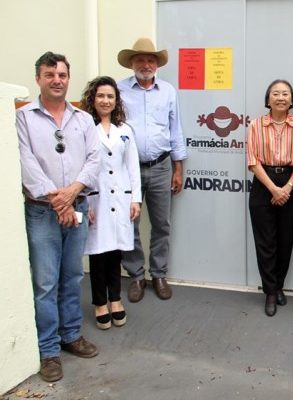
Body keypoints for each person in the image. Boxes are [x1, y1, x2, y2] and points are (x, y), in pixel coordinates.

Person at [16, 51, 100, 382]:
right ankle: (48, 349)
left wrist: (71, 195)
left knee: (73, 278)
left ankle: (70, 335)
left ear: (68, 78)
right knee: (45, 282)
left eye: (62, 75)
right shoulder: (23, 118)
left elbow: (94, 160)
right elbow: (26, 162)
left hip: (76, 207)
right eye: (50, 74)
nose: (57, 80)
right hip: (42, 212)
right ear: (38, 78)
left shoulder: (83, 120)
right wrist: (58, 199)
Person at [117, 37, 187, 302]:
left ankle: (158, 274)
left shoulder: (168, 91)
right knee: (129, 223)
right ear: (132, 63)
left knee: (162, 224)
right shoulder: (119, 89)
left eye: (150, 60)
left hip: (160, 167)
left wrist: (177, 169)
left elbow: (175, 129)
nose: (145, 64)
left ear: (156, 64)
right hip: (127, 169)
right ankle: (136, 275)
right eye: (140, 59)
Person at [79, 76, 142, 329]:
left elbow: (132, 166)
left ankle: (116, 299)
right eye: (101, 96)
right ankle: (99, 303)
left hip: (121, 197)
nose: (105, 101)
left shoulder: (125, 130)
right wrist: (83, 202)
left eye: (110, 96)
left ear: (116, 101)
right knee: (97, 253)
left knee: (115, 251)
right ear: (92, 99)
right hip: (96, 198)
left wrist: (135, 198)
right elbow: (79, 165)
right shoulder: (84, 128)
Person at [247, 79, 293, 317]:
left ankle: (279, 285)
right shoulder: (255, 125)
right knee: (265, 241)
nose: (281, 97)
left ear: (291, 99)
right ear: (268, 98)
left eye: (285, 94)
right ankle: (270, 291)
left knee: (286, 239)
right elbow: (252, 161)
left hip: (291, 184)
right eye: (276, 93)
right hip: (264, 184)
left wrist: (287, 187)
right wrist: (274, 189)